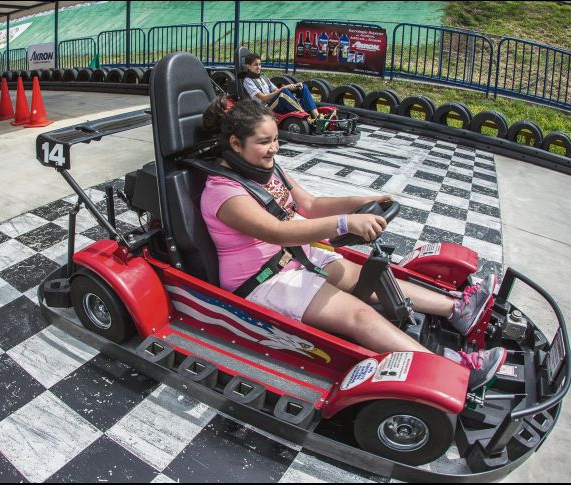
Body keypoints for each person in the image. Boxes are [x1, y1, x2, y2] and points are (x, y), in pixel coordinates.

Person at [200, 98, 506, 391]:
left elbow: (310, 203)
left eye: (276, 139)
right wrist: (345, 223)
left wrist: (363, 201)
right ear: (235, 144)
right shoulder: (223, 192)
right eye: (264, 142)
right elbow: (277, 231)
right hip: (262, 280)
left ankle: (458, 308)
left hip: (291, 256)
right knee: (359, 315)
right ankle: (456, 372)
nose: (274, 148)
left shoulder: (268, 170)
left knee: (371, 278)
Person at [241, 53, 321, 120]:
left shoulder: (263, 77)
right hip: (264, 108)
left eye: (259, 64)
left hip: (274, 103)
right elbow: (264, 98)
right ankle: (307, 117)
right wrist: (283, 88)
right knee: (283, 93)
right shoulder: (248, 81)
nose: (258, 67)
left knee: (303, 87)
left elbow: (276, 89)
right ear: (248, 66)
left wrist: (291, 87)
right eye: (255, 65)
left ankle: (317, 117)